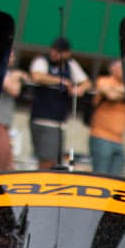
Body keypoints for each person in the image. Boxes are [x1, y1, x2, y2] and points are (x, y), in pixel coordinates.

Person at [26, 38, 87, 169]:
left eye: (59, 51)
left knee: (54, 159)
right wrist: (62, 81)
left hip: (60, 120)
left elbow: (86, 82)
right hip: (42, 118)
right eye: (53, 50)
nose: (54, 53)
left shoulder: (71, 64)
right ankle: (41, 182)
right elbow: (37, 76)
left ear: (67, 53)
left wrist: (79, 89)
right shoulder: (42, 60)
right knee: (47, 159)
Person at [86, 59, 125, 178]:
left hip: (119, 139)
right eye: (120, 68)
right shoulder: (104, 81)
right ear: (112, 69)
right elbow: (111, 95)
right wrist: (124, 92)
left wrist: (122, 91)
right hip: (102, 136)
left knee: (116, 179)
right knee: (101, 176)